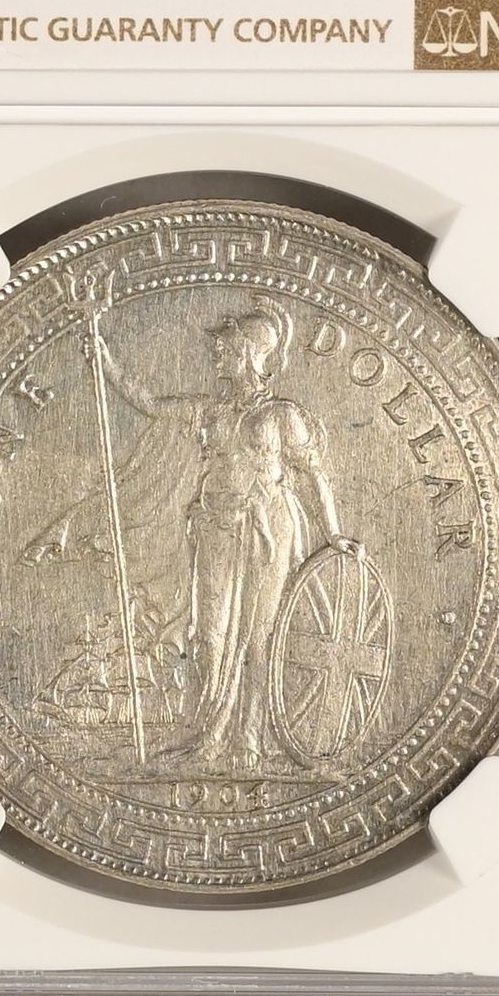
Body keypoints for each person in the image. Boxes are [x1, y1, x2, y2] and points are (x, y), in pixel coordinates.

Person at [86, 296, 361, 772]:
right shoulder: (210, 411)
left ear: (251, 354)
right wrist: (104, 360)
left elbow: (314, 474)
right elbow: (149, 403)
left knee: (259, 636)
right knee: (209, 636)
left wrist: (333, 533)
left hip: (267, 528)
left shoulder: (282, 415)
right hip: (215, 528)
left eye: (226, 348)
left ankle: (248, 741)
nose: (216, 354)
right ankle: (207, 737)